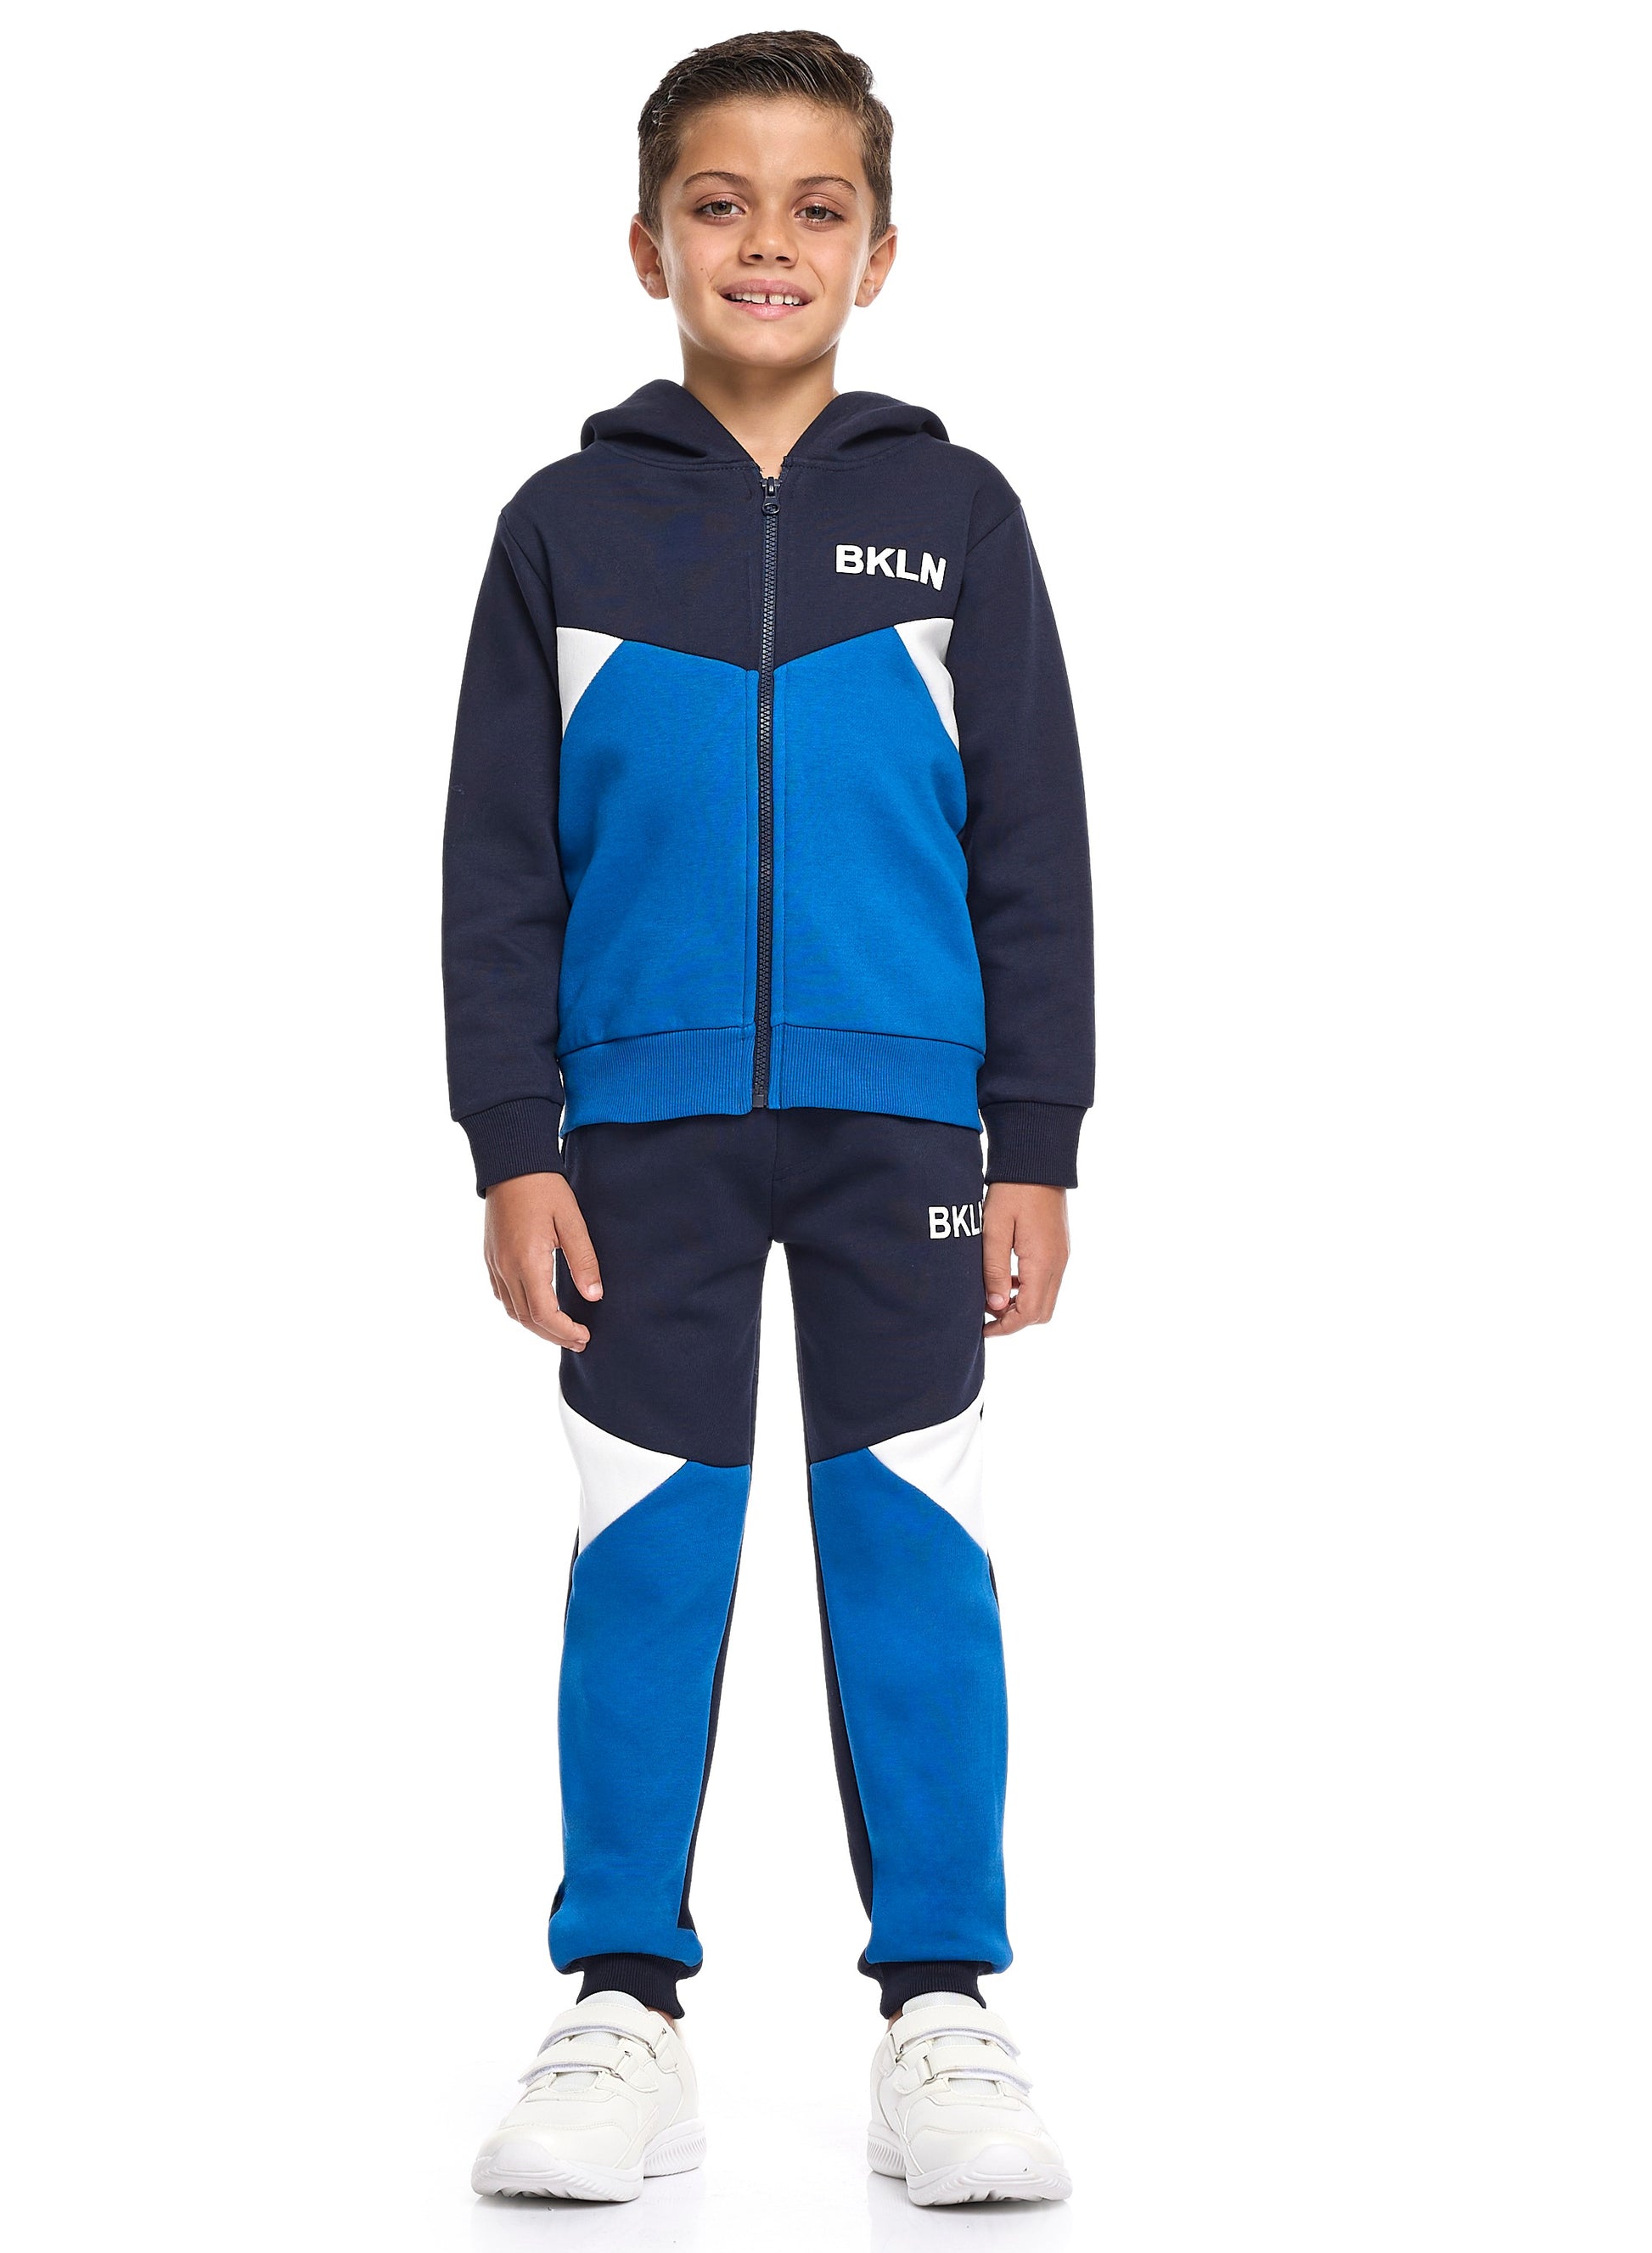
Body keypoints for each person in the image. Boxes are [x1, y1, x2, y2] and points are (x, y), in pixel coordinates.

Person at [443, 29, 1093, 2209]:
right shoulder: (562, 529)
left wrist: (1034, 1137)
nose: (766, 243)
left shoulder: (957, 516)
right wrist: (511, 1137)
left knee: (911, 1542)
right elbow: (496, 863)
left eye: (817, 208)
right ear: (647, 245)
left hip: (909, 1131)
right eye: (718, 204)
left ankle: (944, 2011)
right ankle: (621, 2000)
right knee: (647, 1544)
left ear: (878, 254)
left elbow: (1033, 844)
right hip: (636, 1131)